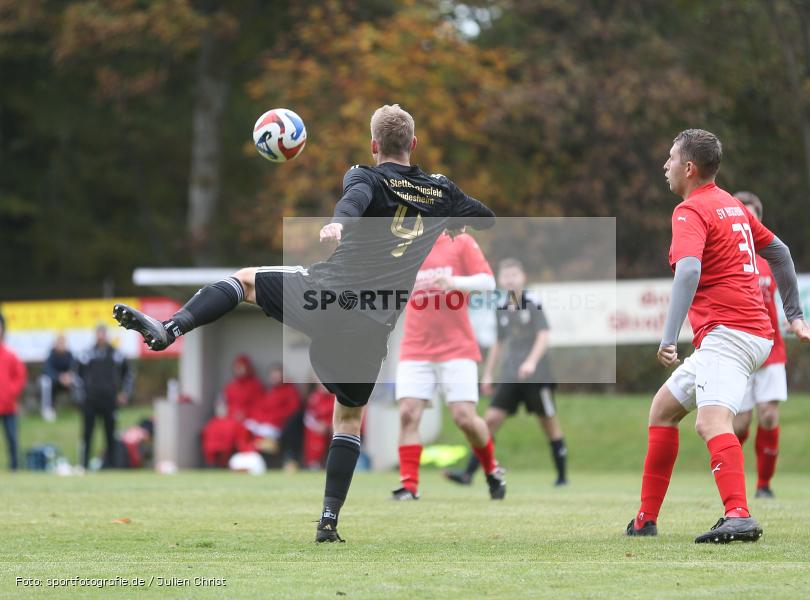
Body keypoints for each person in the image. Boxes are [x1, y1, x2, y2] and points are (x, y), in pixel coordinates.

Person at [111, 104, 495, 542]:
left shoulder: (365, 175)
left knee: (246, 282)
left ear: (374, 146)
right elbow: (486, 218)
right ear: (414, 144)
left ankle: (171, 328)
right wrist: (449, 219)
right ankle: (328, 522)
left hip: (328, 297)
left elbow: (353, 203)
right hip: (371, 328)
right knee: (349, 420)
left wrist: (338, 224)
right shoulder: (440, 189)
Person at [626, 129, 810, 543]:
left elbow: (689, 270)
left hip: (728, 333)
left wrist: (667, 337)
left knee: (711, 421)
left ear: (688, 167)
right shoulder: (732, 205)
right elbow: (781, 253)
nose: (665, 166)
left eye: (669, 158)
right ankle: (645, 520)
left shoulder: (690, 211)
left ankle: (739, 515)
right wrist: (796, 317)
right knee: (663, 408)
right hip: (748, 333)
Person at [393, 230, 504, 501]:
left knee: (464, 418)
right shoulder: (405, 243)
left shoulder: (459, 240)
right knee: (408, 414)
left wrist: (454, 281)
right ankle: (409, 486)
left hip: (456, 348)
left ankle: (491, 469)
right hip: (415, 347)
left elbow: (488, 282)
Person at [445, 258, 567, 487]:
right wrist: (489, 373)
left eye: (515, 275)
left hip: (537, 377)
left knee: (548, 423)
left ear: (523, 278)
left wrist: (531, 362)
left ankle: (562, 478)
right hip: (511, 374)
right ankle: (468, 474)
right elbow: (499, 343)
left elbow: (544, 335)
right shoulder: (502, 306)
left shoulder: (532, 301)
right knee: (489, 421)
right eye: (506, 276)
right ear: (500, 280)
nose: (510, 280)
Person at [732, 191, 787, 499]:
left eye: (753, 216)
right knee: (740, 424)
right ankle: (732, 483)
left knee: (768, 415)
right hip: (740, 351)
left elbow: (788, 288)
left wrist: (795, 317)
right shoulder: (727, 258)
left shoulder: (770, 257)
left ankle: (764, 485)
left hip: (771, 349)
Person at [78, 324, 134, 469]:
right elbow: (77, 375)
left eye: (103, 334)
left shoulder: (116, 354)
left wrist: (124, 393)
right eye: (99, 334)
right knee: (87, 433)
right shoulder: (87, 354)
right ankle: (83, 464)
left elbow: (128, 374)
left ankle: (112, 466)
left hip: (110, 399)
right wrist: (81, 394)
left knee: (110, 434)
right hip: (91, 400)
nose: (101, 337)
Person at [0, 313, 26, 470]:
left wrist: (11, 392)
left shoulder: (10, 355)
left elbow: (20, 376)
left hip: (8, 405)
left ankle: (15, 468)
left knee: (12, 439)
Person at [39, 334, 80, 422]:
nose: (61, 345)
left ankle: (80, 407)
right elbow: (47, 370)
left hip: (67, 381)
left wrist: (68, 376)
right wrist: (59, 377)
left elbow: (73, 367)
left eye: (63, 343)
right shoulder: (51, 354)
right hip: (54, 381)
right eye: (59, 343)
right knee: (45, 382)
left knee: (79, 381)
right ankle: (47, 409)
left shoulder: (69, 354)